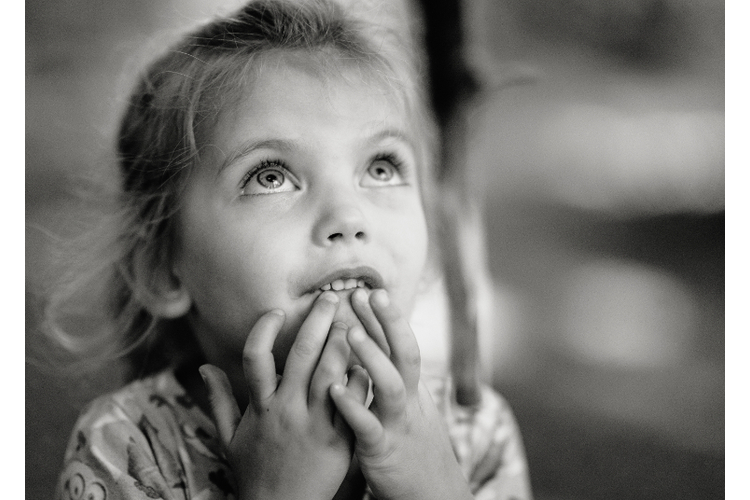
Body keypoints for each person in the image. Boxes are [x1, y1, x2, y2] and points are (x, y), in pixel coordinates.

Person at [46, 0, 533, 498]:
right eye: (271, 176)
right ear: (163, 270)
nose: (348, 217)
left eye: (382, 168)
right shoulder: (128, 448)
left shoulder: (475, 434)